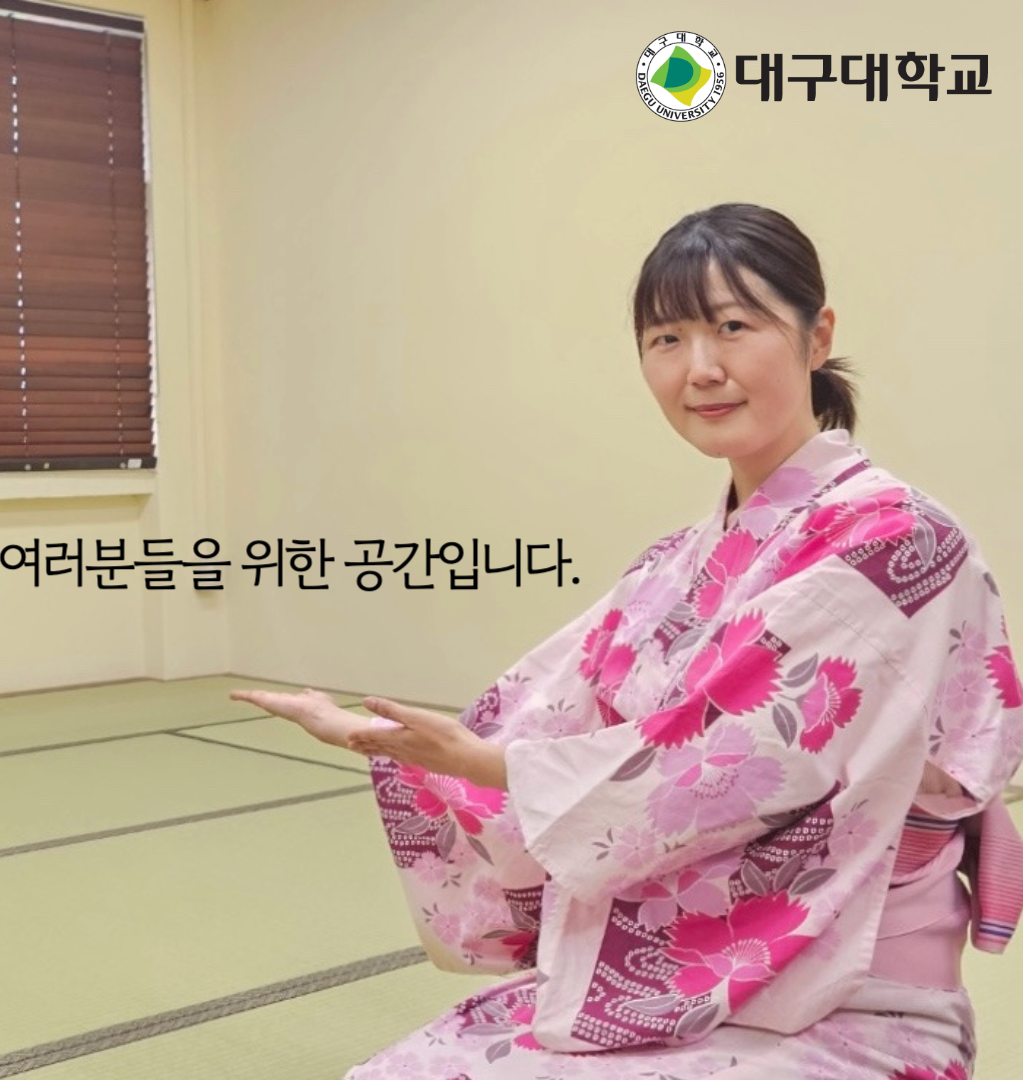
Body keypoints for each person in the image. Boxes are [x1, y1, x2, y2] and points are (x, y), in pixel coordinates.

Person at [235, 204, 1023, 1078]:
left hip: (846, 997)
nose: (702, 368)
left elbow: (733, 761)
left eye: (734, 327)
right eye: (666, 339)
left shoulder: (898, 542)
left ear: (817, 336)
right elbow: (550, 706)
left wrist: (483, 763)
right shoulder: (672, 566)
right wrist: (385, 736)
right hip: (688, 982)